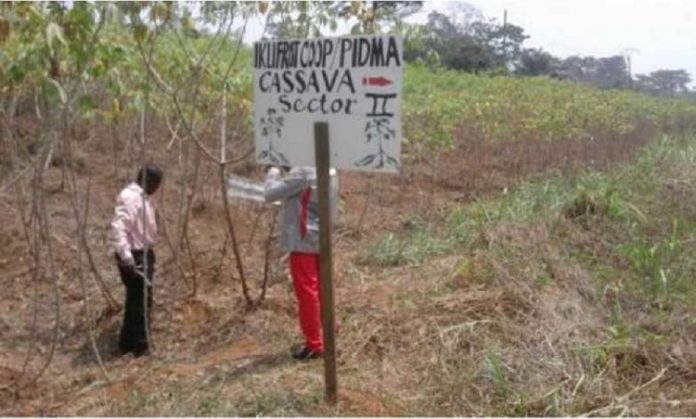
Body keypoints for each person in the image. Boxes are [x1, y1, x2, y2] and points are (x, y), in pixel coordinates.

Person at [264, 166, 338, 360]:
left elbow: (270, 194)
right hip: (322, 236)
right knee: (323, 289)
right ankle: (329, 333)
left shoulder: (302, 172)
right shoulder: (329, 167)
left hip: (303, 238)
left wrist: (273, 171)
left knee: (307, 292)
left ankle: (315, 345)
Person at [110, 164, 163, 357]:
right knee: (142, 301)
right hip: (135, 255)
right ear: (147, 180)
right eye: (156, 184)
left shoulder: (144, 198)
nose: (157, 188)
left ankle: (126, 343)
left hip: (143, 252)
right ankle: (141, 346)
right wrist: (127, 258)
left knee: (135, 299)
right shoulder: (131, 197)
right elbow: (118, 229)